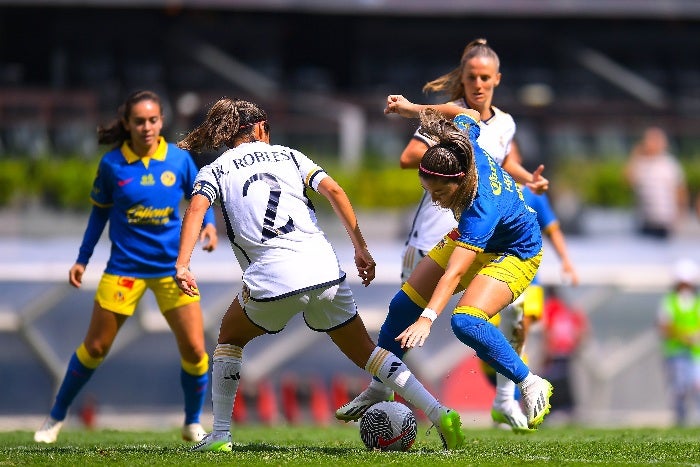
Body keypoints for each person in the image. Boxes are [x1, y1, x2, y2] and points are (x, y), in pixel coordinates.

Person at [173, 97, 465, 452]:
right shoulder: (290, 156)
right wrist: (360, 248)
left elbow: (196, 209)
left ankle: (220, 434)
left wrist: (183, 263)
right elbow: (335, 191)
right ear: (261, 127)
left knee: (229, 339)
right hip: (324, 271)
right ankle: (439, 411)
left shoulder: (215, 170)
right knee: (367, 352)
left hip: (271, 278)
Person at [340, 38, 549, 432]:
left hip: (515, 251)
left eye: (438, 193)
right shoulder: (463, 138)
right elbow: (459, 111)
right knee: (402, 306)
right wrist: (408, 110)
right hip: (476, 237)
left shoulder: (479, 211)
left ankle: (529, 383)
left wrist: (429, 319)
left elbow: (454, 273)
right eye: (427, 190)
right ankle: (381, 388)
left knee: (465, 322)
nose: (433, 200)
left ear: (457, 185)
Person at [34, 90, 219, 444]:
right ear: (127, 124)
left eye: (153, 120)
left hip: (172, 271)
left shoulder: (178, 160)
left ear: (162, 122)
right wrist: (82, 259)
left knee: (196, 351)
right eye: (139, 121)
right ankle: (55, 417)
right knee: (96, 347)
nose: (147, 127)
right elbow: (97, 216)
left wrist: (209, 224)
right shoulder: (112, 165)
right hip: (125, 269)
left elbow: (201, 195)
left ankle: (192, 423)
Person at [483, 172, 580, 432]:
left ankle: (511, 403)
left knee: (518, 336)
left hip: (528, 282)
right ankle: (504, 397)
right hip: (492, 280)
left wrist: (566, 261)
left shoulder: (533, 192)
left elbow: (552, 227)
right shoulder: (485, 185)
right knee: (489, 347)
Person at [624, 126, 689, 239]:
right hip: (644, 219)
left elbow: (679, 190)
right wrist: (634, 156)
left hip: (664, 220)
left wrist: (680, 214)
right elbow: (628, 181)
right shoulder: (640, 162)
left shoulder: (669, 164)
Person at [657, 258, 700, 426]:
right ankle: (681, 418)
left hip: (695, 354)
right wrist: (683, 336)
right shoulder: (669, 302)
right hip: (676, 354)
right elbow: (664, 326)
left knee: (697, 386)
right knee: (679, 389)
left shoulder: (696, 303)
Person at [541, 286, 588, 423]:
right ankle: (568, 410)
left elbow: (548, 332)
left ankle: (555, 411)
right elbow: (581, 329)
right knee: (564, 378)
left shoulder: (550, 307)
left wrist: (547, 352)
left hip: (556, 350)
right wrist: (576, 346)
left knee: (553, 379)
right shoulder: (566, 307)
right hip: (568, 349)